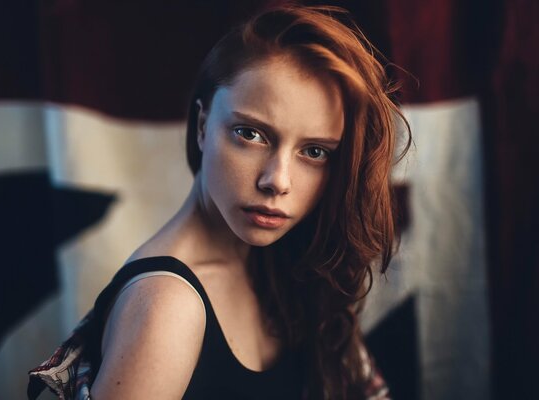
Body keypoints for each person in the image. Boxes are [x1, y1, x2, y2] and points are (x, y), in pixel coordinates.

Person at [28, 4, 411, 400]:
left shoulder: (287, 261)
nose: (277, 181)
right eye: (250, 133)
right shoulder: (166, 307)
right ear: (201, 126)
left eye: (315, 152)